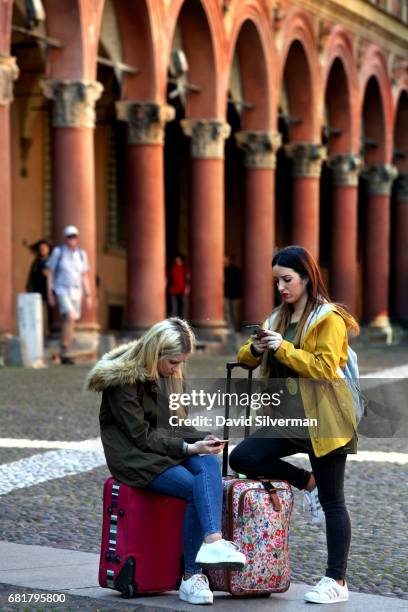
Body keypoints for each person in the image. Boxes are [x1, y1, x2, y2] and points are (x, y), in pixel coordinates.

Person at [229, 245, 359, 605]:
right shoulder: (278, 318)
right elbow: (244, 359)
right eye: (277, 282)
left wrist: (283, 347)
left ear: (306, 276)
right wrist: (257, 348)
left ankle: (337, 580)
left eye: (287, 280)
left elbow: (324, 367)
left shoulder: (329, 318)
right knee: (244, 458)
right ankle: (307, 481)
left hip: (326, 419)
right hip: (286, 418)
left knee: (334, 502)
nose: (282, 288)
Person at [87, 318, 246, 606]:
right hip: (135, 457)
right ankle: (191, 575)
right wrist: (188, 447)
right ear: (155, 353)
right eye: (173, 362)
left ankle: (212, 542)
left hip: (165, 448)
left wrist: (203, 440)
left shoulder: (170, 375)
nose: (176, 369)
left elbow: (175, 424)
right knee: (193, 488)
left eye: (180, 362)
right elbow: (141, 437)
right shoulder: (122, 379)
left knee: (208, 463)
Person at [45, 225, 92, 364]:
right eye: (69, 236)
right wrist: (50, 293)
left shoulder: (81, 254)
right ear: (65, 238)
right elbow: (50, 273)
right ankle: (65, 347)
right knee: (70, 316)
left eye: (74, 236)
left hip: (77, 291)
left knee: (71, 320)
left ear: (77, 238)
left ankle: (64, 352)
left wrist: (88, 295)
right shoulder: (58, 252)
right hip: (61, 289)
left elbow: (84, 276)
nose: (72, 239)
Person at [26, 239, 52, 336]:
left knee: (46, 313)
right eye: (41, 248)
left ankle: (47, 332)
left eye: (44, 248)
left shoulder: (49, 261)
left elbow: (49, 275)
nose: (42, 250)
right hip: (36, 291)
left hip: (46, 292)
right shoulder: (36, 261)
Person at [224, 256, 242, 330]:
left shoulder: (231, 270)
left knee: (231, 312)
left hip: (232, 294)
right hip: (231, 294)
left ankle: (232, 327)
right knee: (230, 312)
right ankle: (232, 327)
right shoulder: (237, 270)